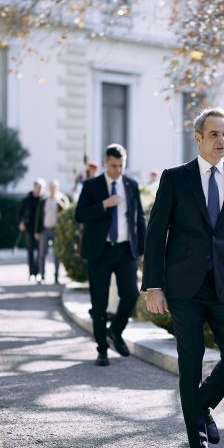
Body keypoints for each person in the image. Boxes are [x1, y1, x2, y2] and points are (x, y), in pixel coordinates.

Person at [142, 107, 224, 448]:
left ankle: (201, 407)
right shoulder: (176, 179)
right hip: (184, 289)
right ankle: (198, 447)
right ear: (198, 138)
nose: (221, 141)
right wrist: (154, 285)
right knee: (190, 362)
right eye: (214, 134)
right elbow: (155, 233)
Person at [75, 144, 145, 366]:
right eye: (113, 166)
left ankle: (115, 330)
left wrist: (142, 250)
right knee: (99, 303)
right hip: (100, 251)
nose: (117, 170)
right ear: (106, 162)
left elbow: (139, 219)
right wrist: (104, 204)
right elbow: (79, 215)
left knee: (131, 294)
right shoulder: (91, 185)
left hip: (126, 250)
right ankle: (102, 350)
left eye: (121, 166)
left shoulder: (131, 185)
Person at [35, 179, 70, 284]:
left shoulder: (62, 199)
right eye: (51, 187)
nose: (52, 190)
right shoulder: (43, 201)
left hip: (56, 231)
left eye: (54, 188)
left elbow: (66, 212)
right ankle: (42, 275)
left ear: (57, 188)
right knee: (42, 254)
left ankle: (56, 277)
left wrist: (58, 201)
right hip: (44, 230)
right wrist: (36, 231)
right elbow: (38, 217)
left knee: (57, 255)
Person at [18, 179, 45, 281]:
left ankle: (38, 272)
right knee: (30, 251)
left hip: (40, 229)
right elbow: (20, 213)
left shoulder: (43, 200)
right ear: (34, 187)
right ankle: (31, 273)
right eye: (37, 187)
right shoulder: (27, 200)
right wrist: (21, 223)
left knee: (40, 252)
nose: (39, 189)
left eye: (41, 188)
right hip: (29, 229)